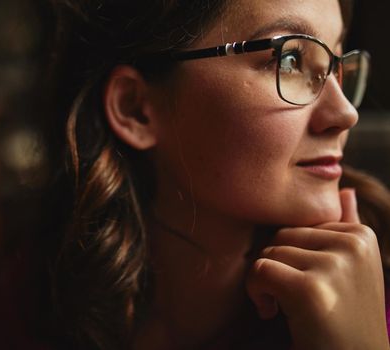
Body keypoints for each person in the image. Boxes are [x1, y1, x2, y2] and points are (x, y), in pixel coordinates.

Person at [31, 0, 390, 349]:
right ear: (136, 108)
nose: (345, 114)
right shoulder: (37, 304)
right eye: (289, 59)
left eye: (336, 62)